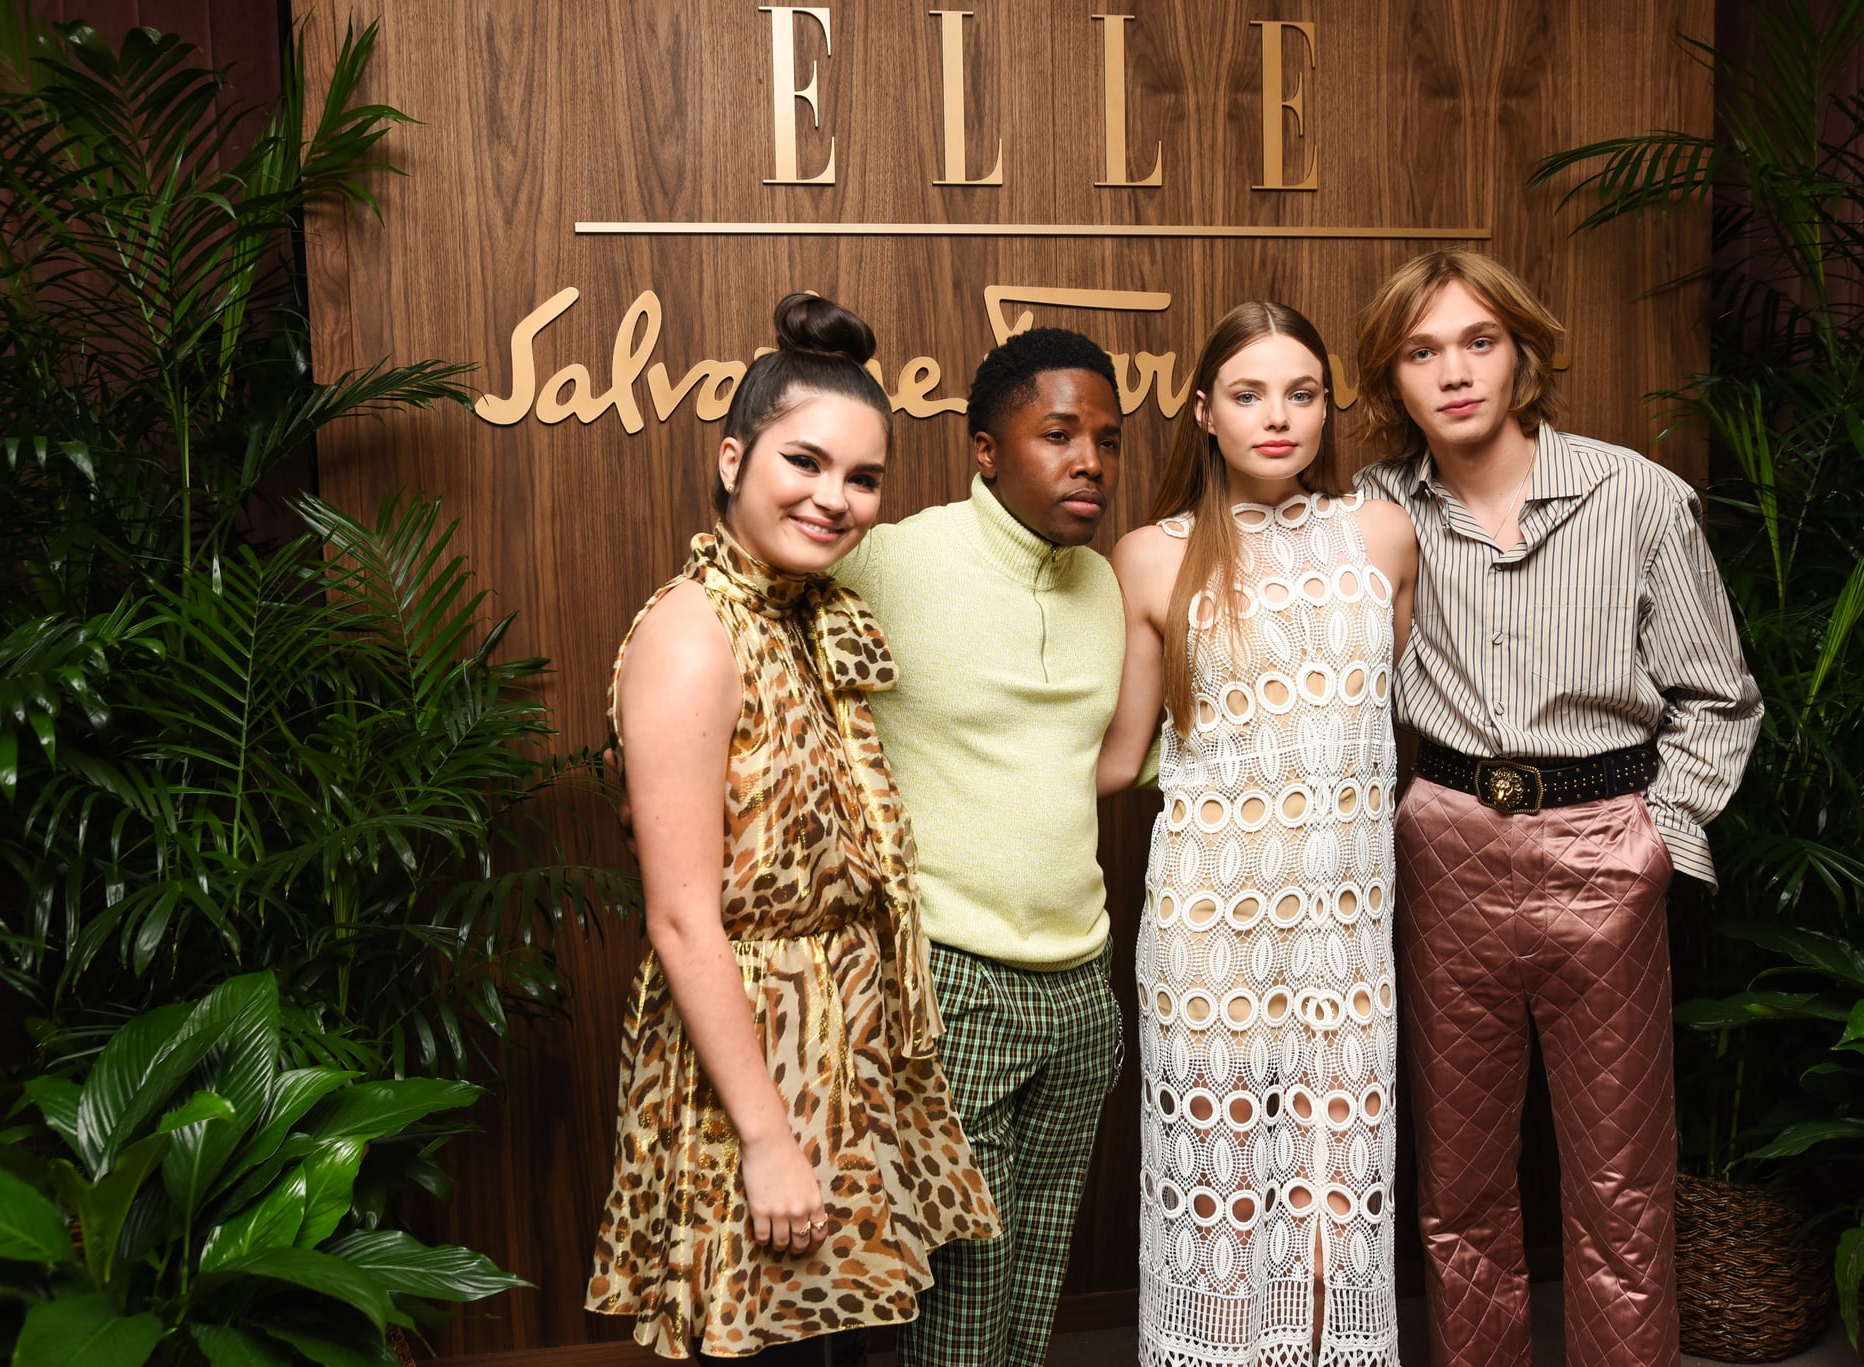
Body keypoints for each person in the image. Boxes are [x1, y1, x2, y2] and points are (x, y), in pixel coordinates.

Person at [1351, 251, 1761, 1367]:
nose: (1451, 372)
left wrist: (1655, 842)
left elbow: (1717, 695)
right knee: (1459, 1188)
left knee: (1620, 1190)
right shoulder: (1373, 511)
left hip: (1602, 845)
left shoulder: (1631, 493)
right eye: (1419, 351)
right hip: (1444, 850)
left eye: (1476, 341)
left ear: (1522, 352)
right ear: (1390, 379)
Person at [585, 293, 998, 1364]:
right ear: (732, 459)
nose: (834, 498)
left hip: (844, 1044)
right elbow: (681, 919)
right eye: (803, 463)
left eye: (861, 478)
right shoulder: (693, 635)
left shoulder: (803, 618)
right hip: (752, 1064)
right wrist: (767, 1139)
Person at [1097, 303, 1417, 1367]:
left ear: (1327, 407)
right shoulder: (1148, 555)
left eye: (1301, 393)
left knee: (1334, 1217)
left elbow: (1390, 722)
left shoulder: (1378, 532)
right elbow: (1118, 754)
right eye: (1247, 394)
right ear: (1202, 412)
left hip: (1344, 927)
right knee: (1225, 1215)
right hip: (1205, 933)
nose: (1276, 416)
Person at [832, 327, 1129, 1367]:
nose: (1087, 458)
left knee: (1033, 1278)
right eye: (1056, 433)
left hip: (1080, 987)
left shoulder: (1103, 586)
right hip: (951, 980)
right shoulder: (890, 555)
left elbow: (1089, 766)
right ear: (984, 449)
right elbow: (745, 642)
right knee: (957, 1295)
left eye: (1104, 436)